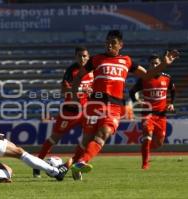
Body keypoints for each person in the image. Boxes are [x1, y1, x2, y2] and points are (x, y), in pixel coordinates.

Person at [58, 30, 179, 180]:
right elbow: (79, 77)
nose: (109, 45)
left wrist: (164, 65)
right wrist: (76, 97)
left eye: (113, 42)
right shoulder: (95, 59)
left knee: (104, 133)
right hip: (95, 104)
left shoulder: (127, 61)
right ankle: (73, 166)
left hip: (114, 106)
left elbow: (147, 75)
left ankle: (81, 163)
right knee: (86, 141)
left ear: (121, 45)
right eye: (107, 42)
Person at [33, 46, 94, 179]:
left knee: (88, 140)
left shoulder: (92, 70)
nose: (82, 58)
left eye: (84, 56)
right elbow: (63, 91)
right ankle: (37, 165)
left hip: (85, 112)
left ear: (88, 57)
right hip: (69, 112)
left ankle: (76, 166)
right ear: (75, 57)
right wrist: (82, 91)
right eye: (79, 56)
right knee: (54, 139)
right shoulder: (71, 71)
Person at [129, 54, 176, 170]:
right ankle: (145, 164)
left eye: (156, 63)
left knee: (159, 143)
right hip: (147, 113)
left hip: (161, 115)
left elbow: (173, 90)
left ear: (161, 64)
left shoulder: (167, 78)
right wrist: (136, 101)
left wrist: (171, 103)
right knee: (147, 137)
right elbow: (132, 91)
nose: (154, 65)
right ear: (149, 66)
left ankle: (146, 151)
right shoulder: (144, 78)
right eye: (152, 64)